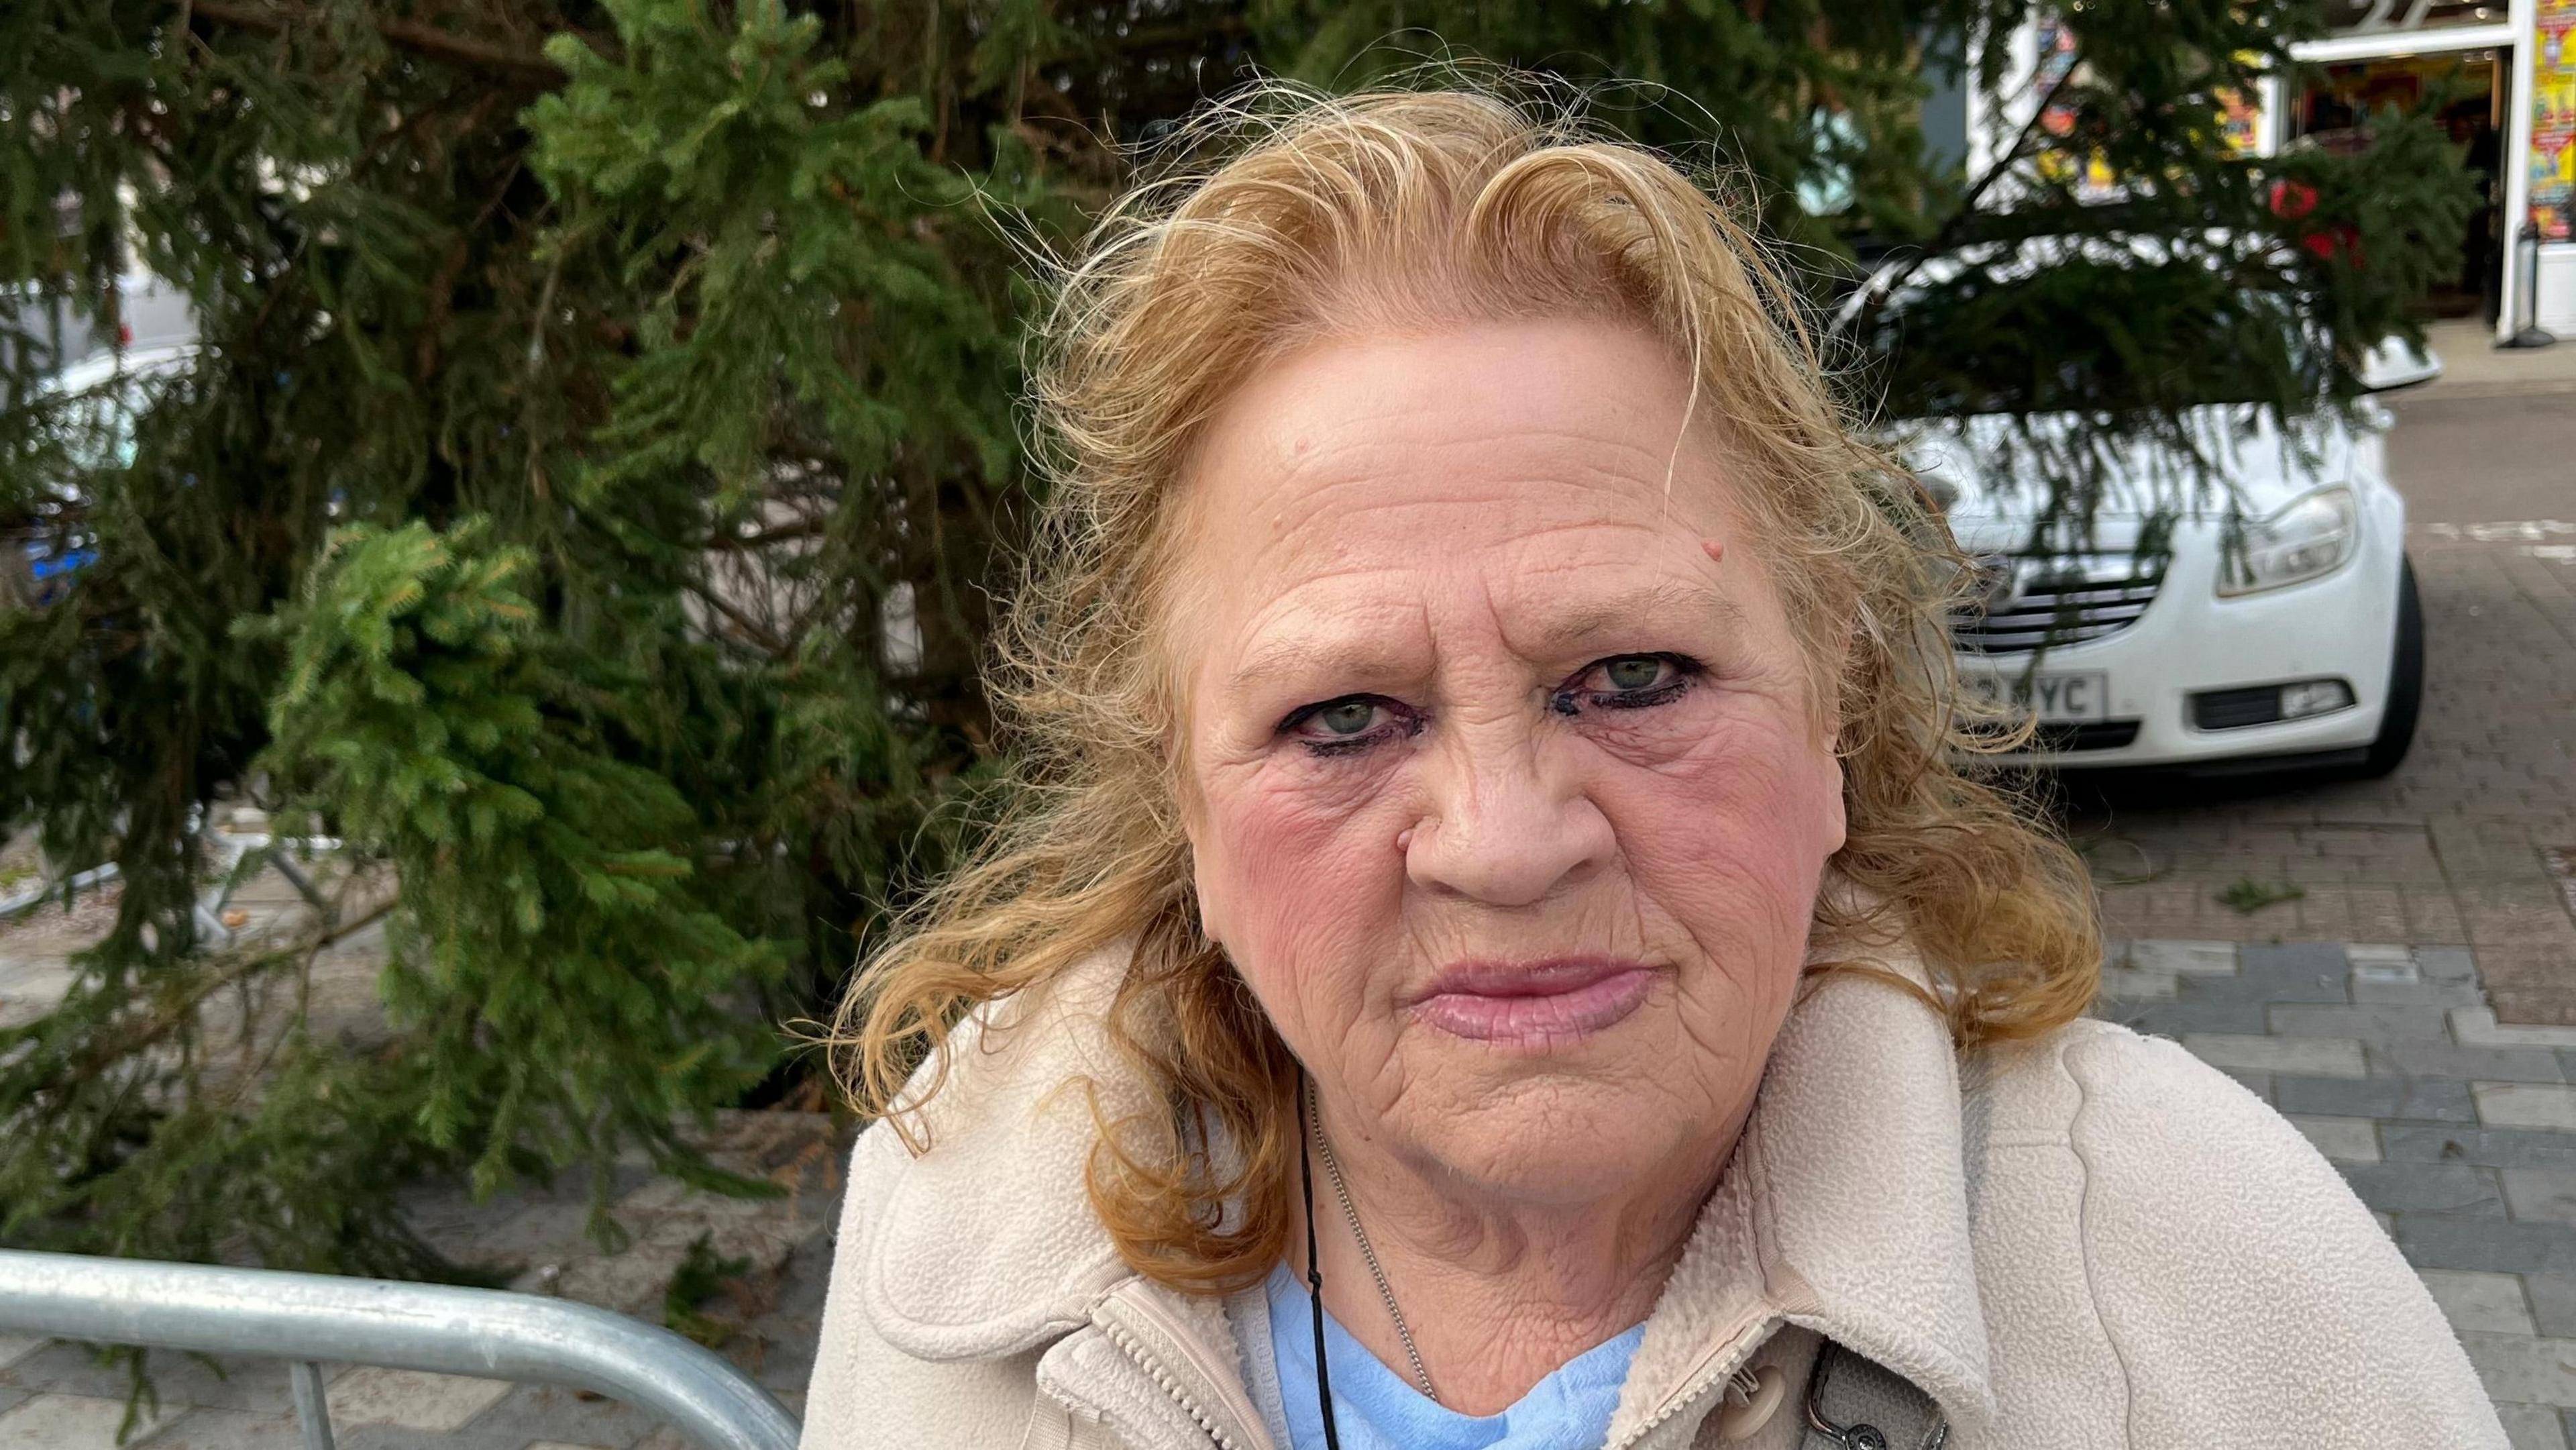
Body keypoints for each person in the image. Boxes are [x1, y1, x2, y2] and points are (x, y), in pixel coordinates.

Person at [802, 86, 2504, 1449]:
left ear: (1835, 709)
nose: (1508, 841)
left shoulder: (2211, 1277)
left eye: (1633, 675)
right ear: (1176, 788)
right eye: (1342, 717)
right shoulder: (955, 1223)